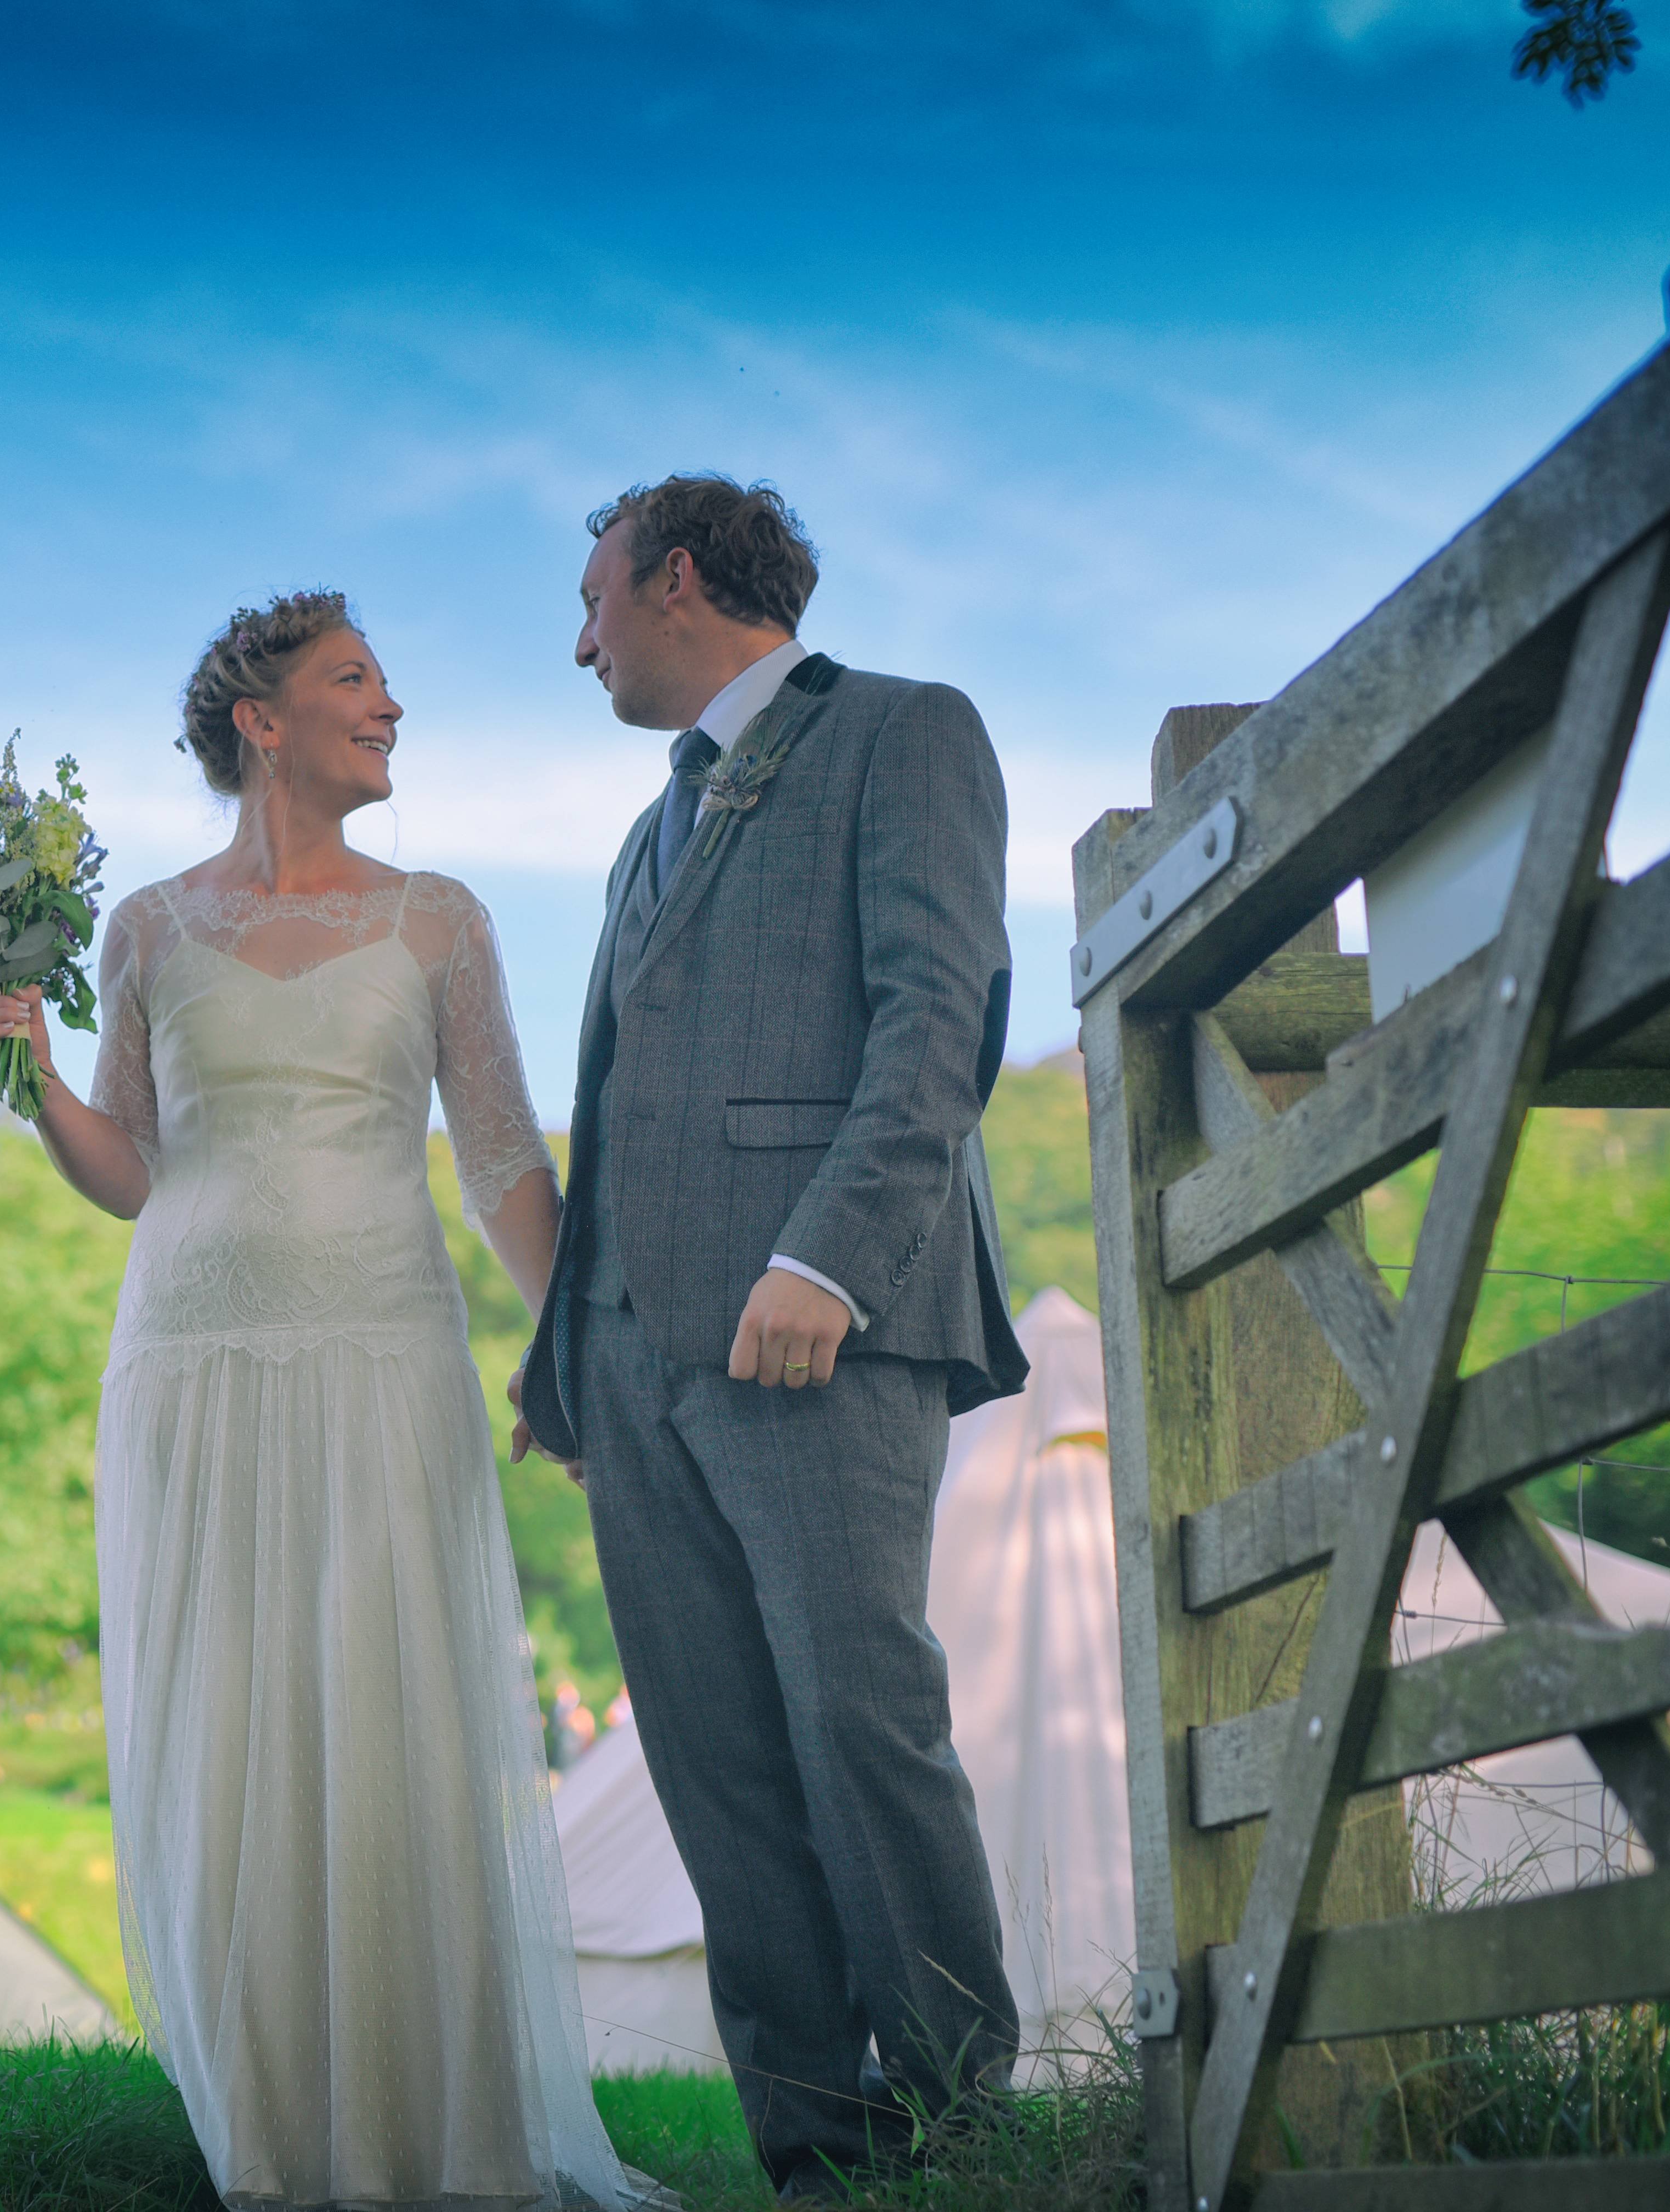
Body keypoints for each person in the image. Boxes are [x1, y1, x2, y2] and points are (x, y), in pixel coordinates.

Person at [0, 593, 660, 2212]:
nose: (394, 706)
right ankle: (272, 2138)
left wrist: (571, 1354)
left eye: (389, 682)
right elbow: (132, 1174)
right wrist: (38, 1082)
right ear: (261, 722)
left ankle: (438, 2137)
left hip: (382, 1353)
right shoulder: (145, 925)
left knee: (390, 1720)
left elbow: (499, 1161)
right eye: (358, 680)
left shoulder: (440, 920)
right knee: (227, 1734)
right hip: (190, 1362)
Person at [513, 474, 1031, 2201]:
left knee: (860, 1725)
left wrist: (828, 1257)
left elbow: (938, 1014)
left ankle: (962, 2140)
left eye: (593, 603)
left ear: (675, 579)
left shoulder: (906, 732)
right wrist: (564, 1359)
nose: (577, 641)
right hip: (633, 1360)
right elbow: (613, 1102)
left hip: (816, 1329)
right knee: (715, 1768)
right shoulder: (638, 831)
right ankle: (814, 2157)